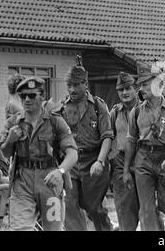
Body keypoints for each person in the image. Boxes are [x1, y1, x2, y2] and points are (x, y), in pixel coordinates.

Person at [0, 76, 77, 231]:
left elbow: (72, 152)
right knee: (19, 229)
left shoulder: (55, 121)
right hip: (23, 181)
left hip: (50, 181)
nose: (27, 99)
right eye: (23, 96)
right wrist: (10, 140)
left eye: (32, 95)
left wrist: (60, 171)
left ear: (41, 96)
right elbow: (5, 152)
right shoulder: (13, 122)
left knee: (53, 228)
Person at [125, 62, 165, 231]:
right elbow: (131, 141)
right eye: (140, 85)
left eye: (145, 84)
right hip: (143, 159)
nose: (141, 89)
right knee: (146, 209)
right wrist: (126, 170)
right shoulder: (136, 112)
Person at [61, 58, 114, 231]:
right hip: (72, 162)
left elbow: (107, 136)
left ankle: (106, 228)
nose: (72, 89)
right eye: (69, 85)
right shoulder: (62, 108)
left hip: (94, 160)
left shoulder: (98, 106)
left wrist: (100, 161)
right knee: (70, 204)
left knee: (94, 208)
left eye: (76, 85)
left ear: (85, 84)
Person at [109, 72, 140, 231]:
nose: (125, 93)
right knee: (124, 207)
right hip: (121, 161)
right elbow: (108, 136)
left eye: (128, 88)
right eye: (121, 90)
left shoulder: (145, 109)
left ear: (135, 88)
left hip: (143, 159)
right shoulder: (115, 112)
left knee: (149, 207)